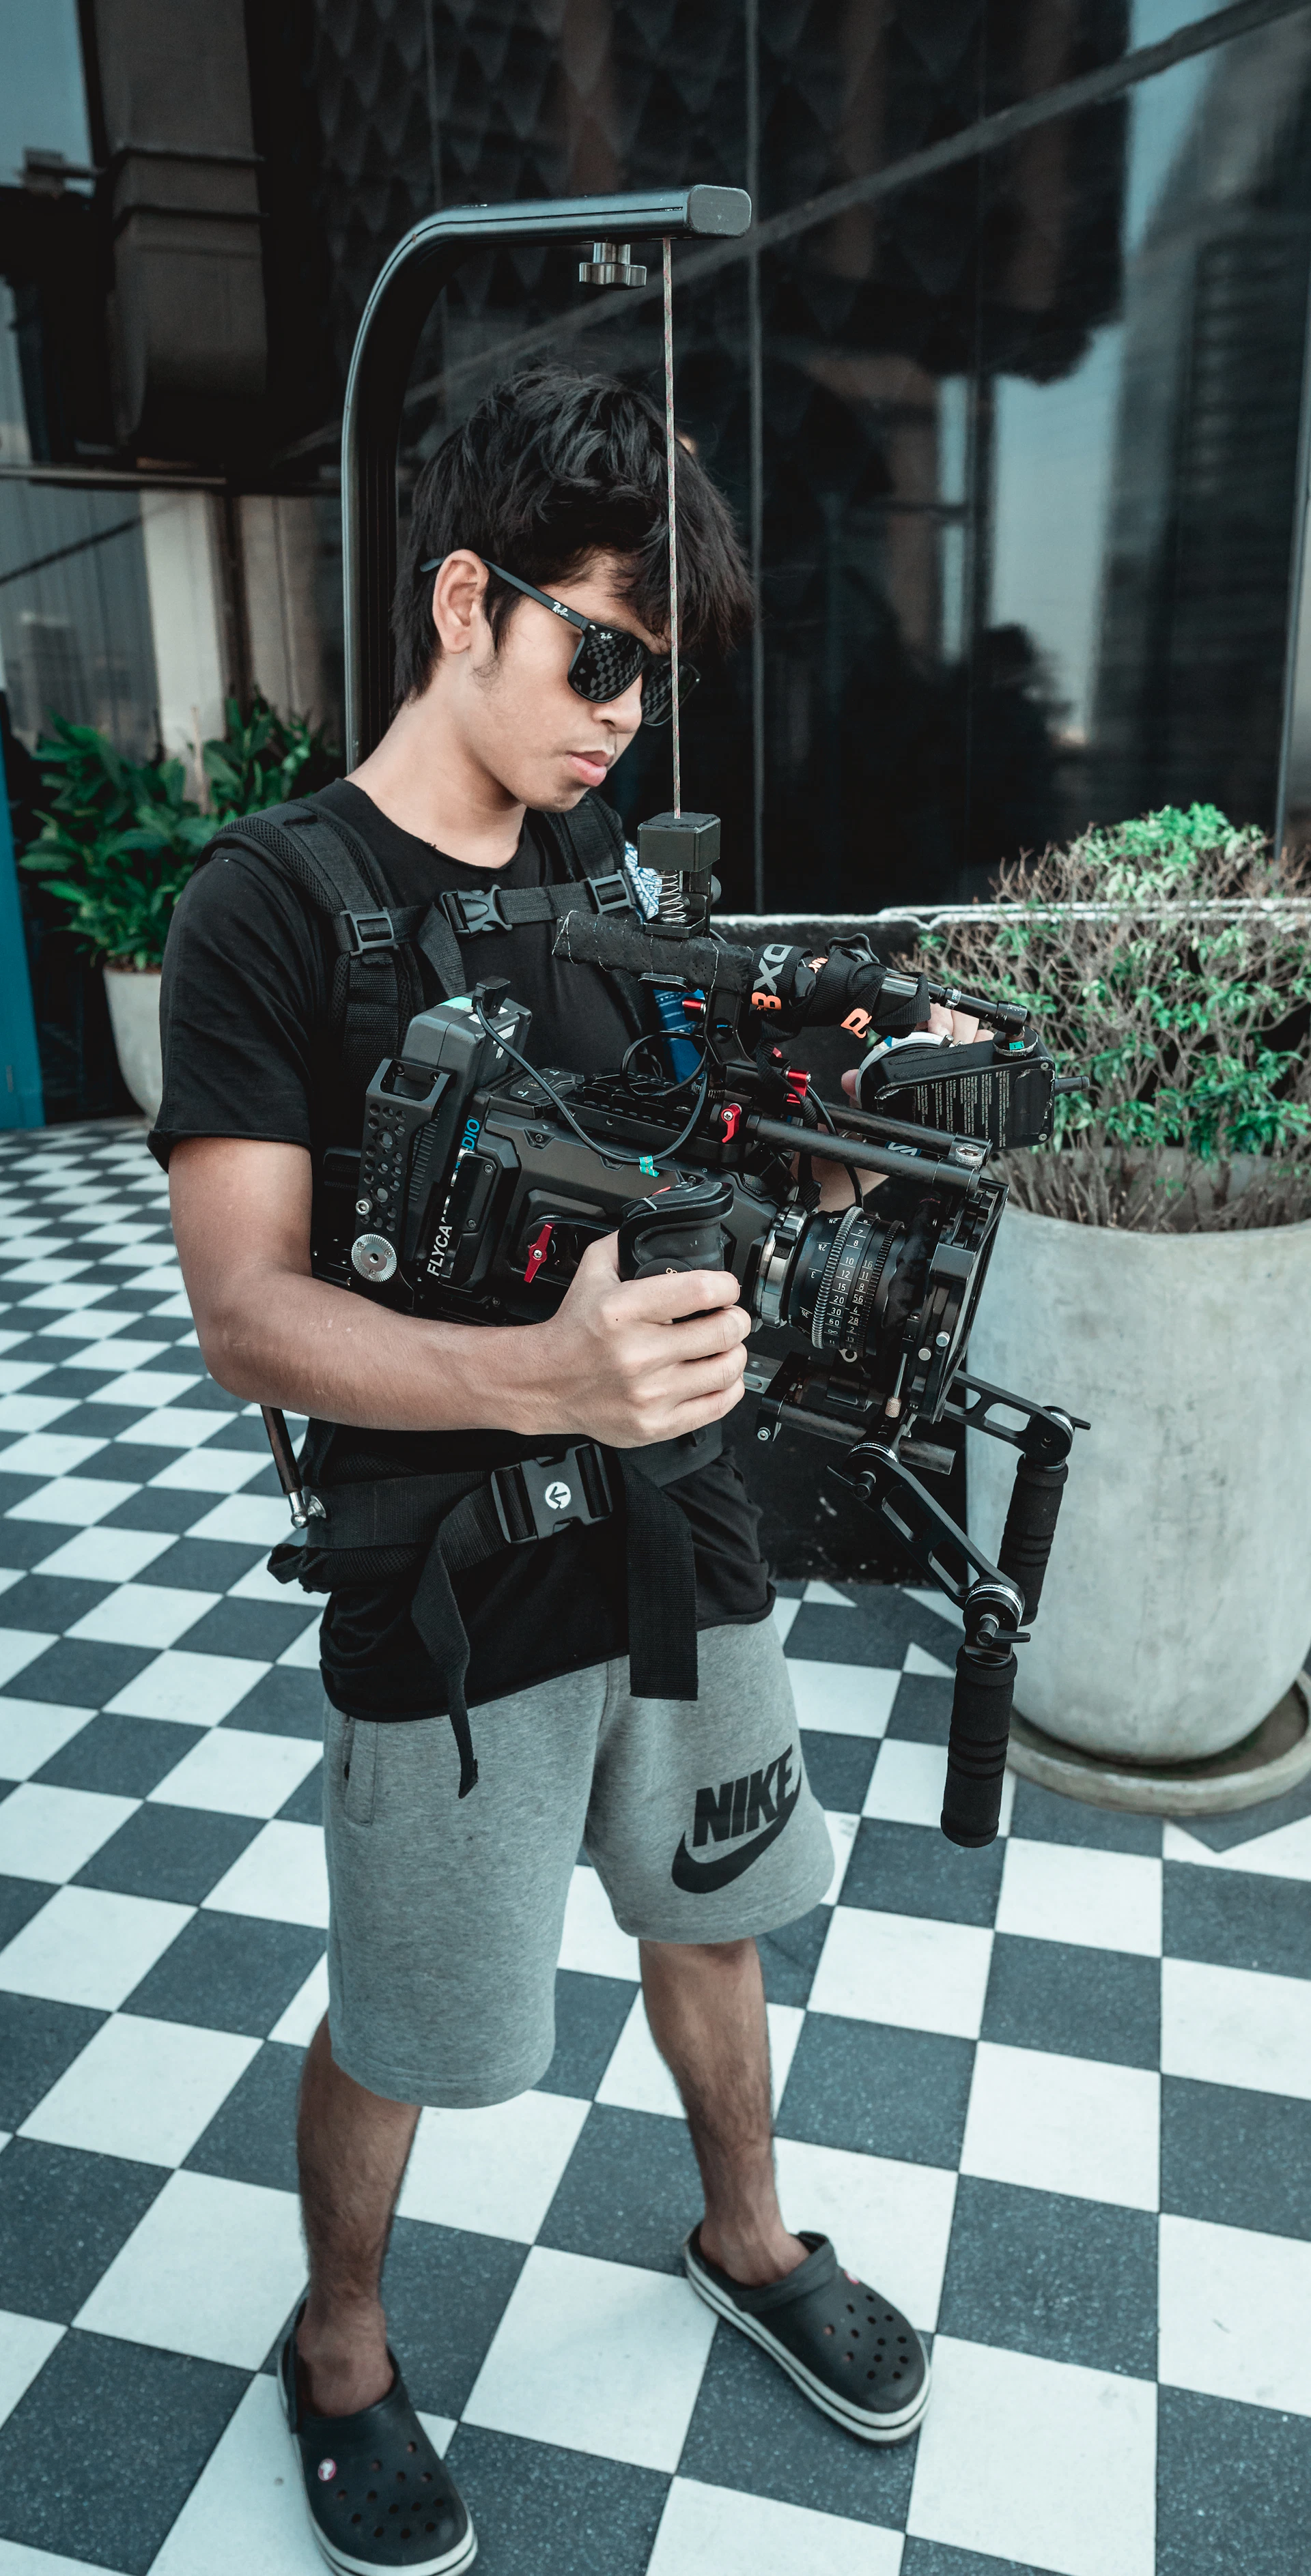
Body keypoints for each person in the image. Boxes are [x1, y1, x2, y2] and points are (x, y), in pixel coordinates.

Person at [155, 368, 943, 2576]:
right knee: (421, 2010)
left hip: (680, 1520)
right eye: (596, 651)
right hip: (446, 1567)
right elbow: (246, 1312)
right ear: (460, 603)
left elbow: (691, 1115)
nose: (621, 714)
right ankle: (338, 2341)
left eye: (652, 678)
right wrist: (548, 1382)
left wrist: (845, 1056)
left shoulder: (606, 863)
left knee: (714, 1905)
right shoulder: (273, 906)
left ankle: (750, 2228)